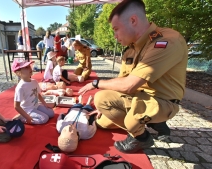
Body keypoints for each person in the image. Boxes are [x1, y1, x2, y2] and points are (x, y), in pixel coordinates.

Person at [78, 0, 188, 153]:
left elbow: (129, 85)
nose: (115, 36)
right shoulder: (131, 49)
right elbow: (121, 81)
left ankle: (142, 137)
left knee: (131, 121)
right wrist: (105, 106)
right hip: (138, 97)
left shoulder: (166, 41)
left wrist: (96, 83)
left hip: (162, 101)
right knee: (101, 117)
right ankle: (150, 123)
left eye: (116, 29)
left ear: (133, 20)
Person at [12, 58, 55, 124]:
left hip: (36, 106)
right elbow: (16, 106)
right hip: (27, 110)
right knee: (44, 118)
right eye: (26, 67)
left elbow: (38, 94)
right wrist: (27, 117)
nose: (29, 68)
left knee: (51, 113)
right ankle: (22, 118)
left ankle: (30, 115)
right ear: (18, 73)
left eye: (29, 66)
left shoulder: (34, 82)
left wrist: (45, 104)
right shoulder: (20, 87)